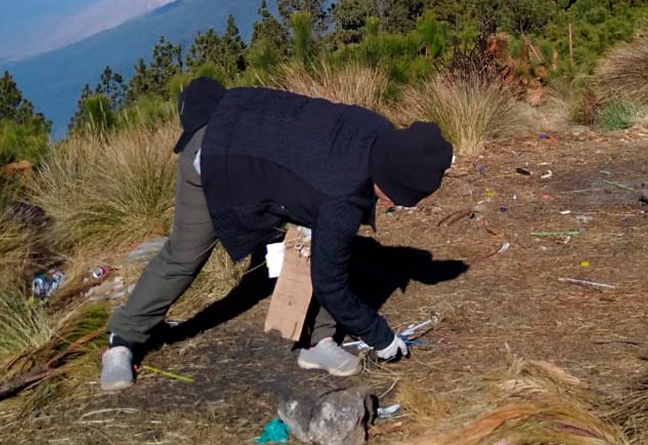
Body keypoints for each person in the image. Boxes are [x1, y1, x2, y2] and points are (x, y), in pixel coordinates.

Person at [100, 77, 454, 391]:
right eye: (399, 196)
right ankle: (123, 340)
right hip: (215, 155)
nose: (397, 205)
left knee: (325, 245)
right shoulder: (341, 194)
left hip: (259, 146)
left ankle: (318, 345)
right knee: (183, 257)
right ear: (390, 179)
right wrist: (381, 337)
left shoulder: (378, 132)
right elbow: (330, 282)